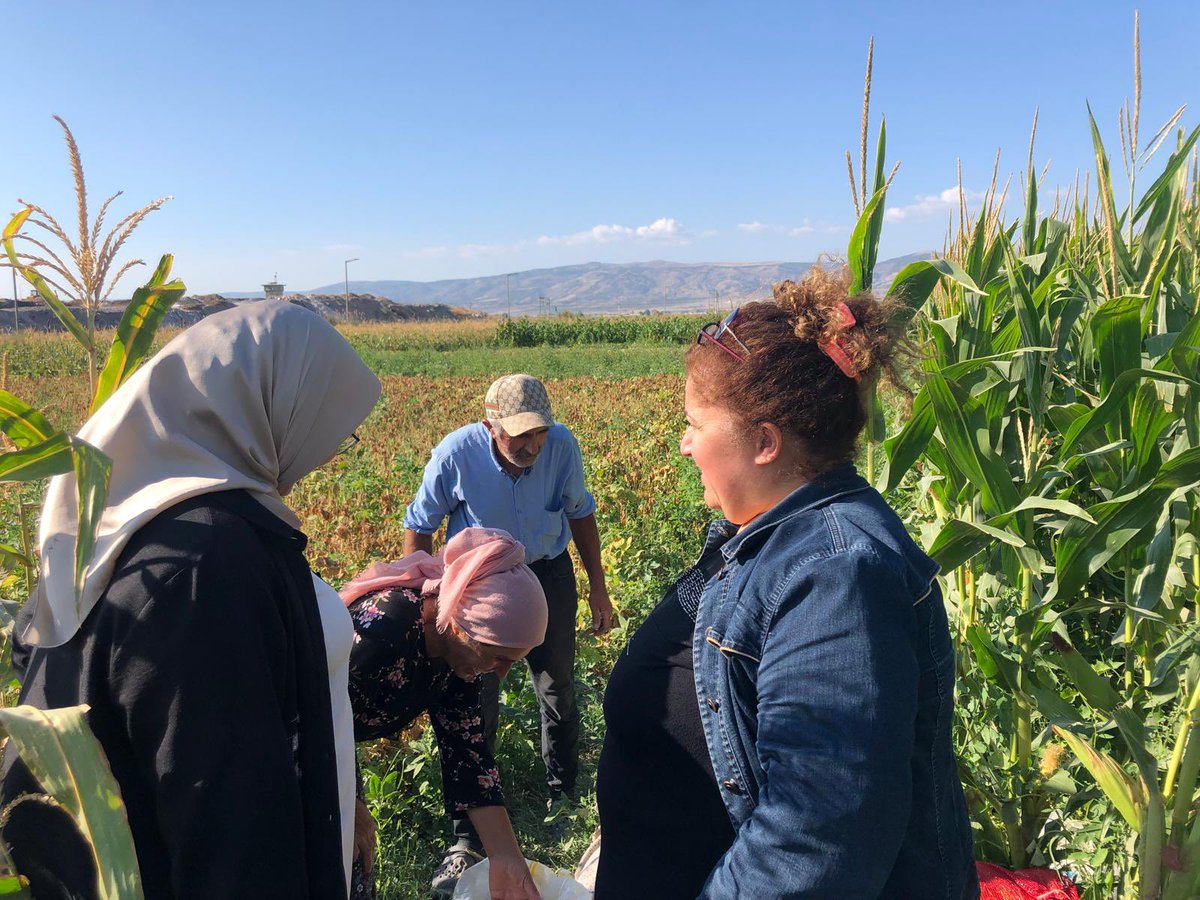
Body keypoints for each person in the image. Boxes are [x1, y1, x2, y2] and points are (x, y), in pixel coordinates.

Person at [595, 268, 979, 899]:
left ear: (765, 443)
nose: (685, 444)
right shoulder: (768, 538)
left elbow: (818, 837)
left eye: (696, 424)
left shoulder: (837, 577)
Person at [2, 301, 381, 899]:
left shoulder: (128, 520)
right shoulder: (206, 561)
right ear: (267, 406)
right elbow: (228, 829)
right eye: (329, 424)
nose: (331, 450)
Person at [402, 373, 613, 895]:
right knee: (472, 701)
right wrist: (420, 599)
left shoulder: (561, 447)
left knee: (557, 685)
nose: (532, 446)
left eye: (539, 433)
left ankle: (562, 797)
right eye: (520, 435)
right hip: (481, 587)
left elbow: (580, 513)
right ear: (490, 425)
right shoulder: (456, 454)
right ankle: (466, 838)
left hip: (547, 573)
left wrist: (598, 587)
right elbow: (421, 524)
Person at [340, 527, 547, 900]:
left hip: (332, 744)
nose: (501, 673)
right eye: (498, 657)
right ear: (461, 626)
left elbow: (468, 755)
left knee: (354, 866)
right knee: (326, 857)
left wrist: (508, 861)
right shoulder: (386, 630)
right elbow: (308, 712)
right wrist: (342, 801)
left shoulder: (456, 658)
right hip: (286, 740)